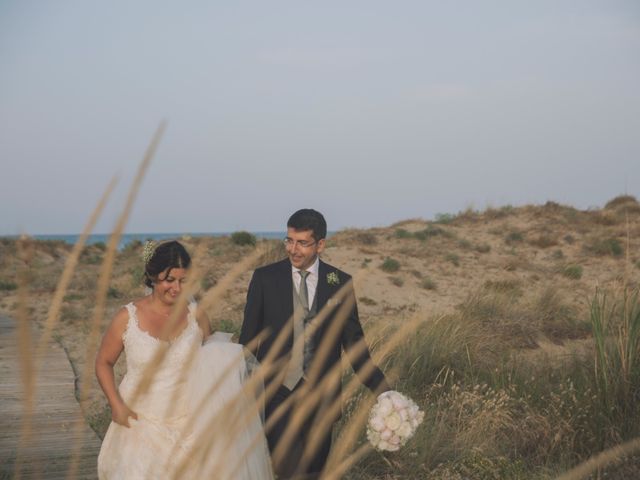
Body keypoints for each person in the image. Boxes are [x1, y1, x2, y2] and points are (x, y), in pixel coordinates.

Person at [96, 240, 273, 479]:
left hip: (190, 424)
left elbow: (210, 361)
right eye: (170, 280)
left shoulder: (195, 314)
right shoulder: (127, 317)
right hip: (139, 422)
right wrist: (116, 405)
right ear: (152, 276)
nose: (177, 288)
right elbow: (103, 363)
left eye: (183, 281)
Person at [240, 209, 390, 479]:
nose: (293, 250)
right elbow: (247, 344)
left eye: (302, 243)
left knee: (315, 474)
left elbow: (355, 346)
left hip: (323, 400)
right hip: (277, 397)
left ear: (321, 244)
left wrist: (384, 392)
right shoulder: (264, 279)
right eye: (289, 240)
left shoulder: (340, 283)